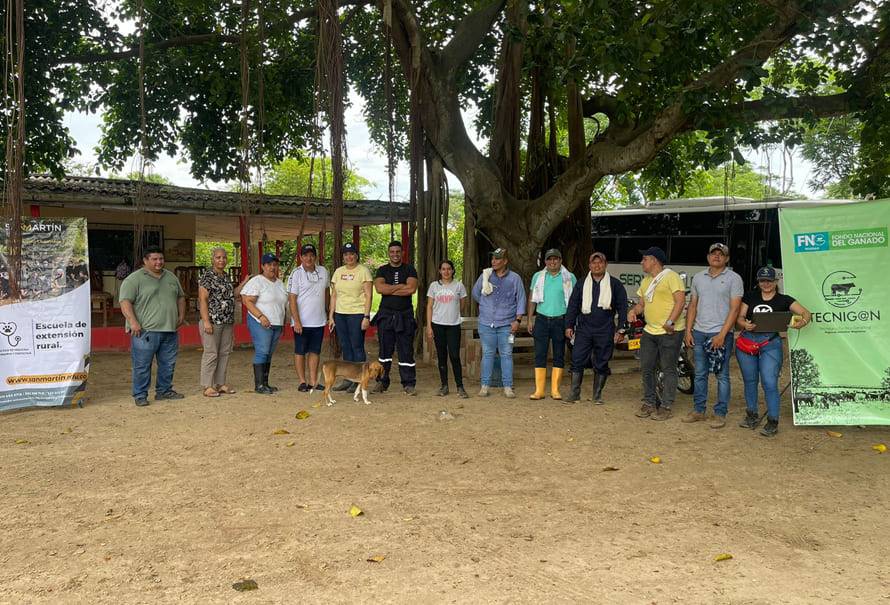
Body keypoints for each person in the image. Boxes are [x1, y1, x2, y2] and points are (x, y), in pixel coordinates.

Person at [735, 266, 812, 437]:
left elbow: (806, 313)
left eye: (769, 280)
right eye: (762, 280)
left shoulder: (784, 299)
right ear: (758, 282)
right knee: (750, 380)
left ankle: (772, 420)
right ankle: (751, 414)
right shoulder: (750, 296)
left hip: (770, 342)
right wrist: (744, 324)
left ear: (776, 281)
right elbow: (740, 317)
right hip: (748, 341)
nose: (766, 284)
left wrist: (802, 322)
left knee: (769, 382)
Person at [682, 243, 744, 428]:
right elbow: (693, 305)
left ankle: (720, 413)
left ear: (727, 258)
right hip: (699, 332)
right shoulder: (698, 278)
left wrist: (722, 334)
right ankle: (698, 410)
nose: (717, 256)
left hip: (721, 333)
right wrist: (688, 330)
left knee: (722, 375)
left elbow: (735, 309)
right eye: (713, 253)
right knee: (700, 373)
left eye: (721, 254)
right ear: (708, 257)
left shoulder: (734, 278)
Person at [118, 246, 186, 407]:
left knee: (168, 364)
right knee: (142, 365)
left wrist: (181, 316)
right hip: (145, 331)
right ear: (145, 260)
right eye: (154, 259)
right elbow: (125, 301)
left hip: (169, 329)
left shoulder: (170, 277)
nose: (159, 262)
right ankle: (140, 395)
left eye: (161, 258)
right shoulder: (134, 279)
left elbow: (181, 297)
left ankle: (164, 391)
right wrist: (133, 322)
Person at [627, 246, 686, 421]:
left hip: (670, 331)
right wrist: (633, 311)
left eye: (644, 259)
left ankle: (666, 406)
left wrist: (670, 322)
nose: (641, 262)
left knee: (668, 368)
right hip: (650, 330)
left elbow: (680, 301)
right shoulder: (646, 281)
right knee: (647, 367)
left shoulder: (671, 277)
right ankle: (649, 402)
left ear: (654, 260)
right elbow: (642, 304)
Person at [565, 252, 627, 404]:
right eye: (594, 263)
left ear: (605, 265)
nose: (597, 265)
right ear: (589, 265)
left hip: (605, 329)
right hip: (584, 328)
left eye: (600, 263)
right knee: (577, 359)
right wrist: (569, 325)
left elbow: (623, 308)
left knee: (602, 361)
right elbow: (573, 305)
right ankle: (574, 394)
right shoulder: (581, 283)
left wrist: (621, 329)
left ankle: (597, 395)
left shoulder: (615, 284)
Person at [471, 247, 526, 398]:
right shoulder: (486, 276)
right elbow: (475, 293)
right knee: (487, 354)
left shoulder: (514, 278)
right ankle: (485, 386)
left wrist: (518, 320)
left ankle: (507, 386)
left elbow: (521, 299)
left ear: (505, 261)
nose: (493, 261)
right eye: (493, 258)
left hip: (507, 323)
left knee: (506, 354)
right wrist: (485, 305)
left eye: (497, 258)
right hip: (486, 322)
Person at [527, 248, 576, 400]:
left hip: (561, 320)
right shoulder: (538, 276)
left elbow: (574, 302)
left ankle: (555, 390)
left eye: (556, 259)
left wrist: (571, 323)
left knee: (559, 354)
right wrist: (529, 319)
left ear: (561, 260)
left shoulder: (569, 277)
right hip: (542, 319)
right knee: (540, 354)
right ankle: (539, 390)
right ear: (545, 261)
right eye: (549, 259)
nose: (552, 262)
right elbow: (532, 299)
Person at [372, 241, 419, 395]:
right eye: (392, 252)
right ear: (388, 253)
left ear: (402, 253)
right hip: (386, 315)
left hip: (405, 315)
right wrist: (400, 286)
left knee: (406, 350)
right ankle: (382, 382)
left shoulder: (409, 269)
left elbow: (411, 289)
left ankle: (408, 384)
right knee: (384, 352)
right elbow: (379, 288)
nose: (395, 254)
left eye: (398, 251)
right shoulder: (382, 270)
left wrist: (389, 289)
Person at [240, 253, 288, 394]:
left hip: (276, 322)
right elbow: (247, 301)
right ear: (262, 266)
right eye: (269, 265)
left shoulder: (279, 283)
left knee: (269, 353)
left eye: (275, 264)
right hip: (260, 322)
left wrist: (283, 321)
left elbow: (283, 304)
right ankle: (259, 385)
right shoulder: (257, 281)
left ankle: (265, 383)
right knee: (262, 351)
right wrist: (260, 316)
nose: (272, 267)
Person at [328, 242, 373, 391]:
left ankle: (359, 381)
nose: (349, 257)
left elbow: (369, 295)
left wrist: (366, 316)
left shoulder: (363, 271)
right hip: (340, 314)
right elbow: (334, 295)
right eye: (346, 254)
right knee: (346, 347)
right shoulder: (338, 272)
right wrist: (331, 316)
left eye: (352, 254)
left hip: (357, 314)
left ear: (356, 255)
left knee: (357, 346)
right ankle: (348, 379)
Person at [287, 243, 330, 392]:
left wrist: (328, 311)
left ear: (315, 257)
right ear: (301, 257)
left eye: (312, 255)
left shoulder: (323, 271)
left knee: (315, 351)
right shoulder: (296, 273)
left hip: (318, 320)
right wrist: (297, 321)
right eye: (305, 255)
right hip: (302, 322)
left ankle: (313, 381)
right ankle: (302, 381)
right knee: (300, 351)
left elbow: (327, 292)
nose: (309, 258)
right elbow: (292, 299)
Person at [425, 259, 469, 398]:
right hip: (438, 325)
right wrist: (429, 326)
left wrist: (453, 313)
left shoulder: (459, 286)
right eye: (443, 269)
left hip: (453, 325)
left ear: (453, 270)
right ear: (439, 271)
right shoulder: (434, 286)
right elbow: (429, 306)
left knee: (454, 356)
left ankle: (460, 386)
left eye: (449, 269)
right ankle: (444, 386)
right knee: (442, 356)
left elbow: (462, 304)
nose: (446, 271)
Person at [197, 247, 236, 397]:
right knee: (211, 353)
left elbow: (231, 295)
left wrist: (245, 283)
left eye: (224, 257)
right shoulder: (207, 276)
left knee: (224, 353)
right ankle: (207, 386)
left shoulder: (225, 276)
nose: (221, 260)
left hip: (227, 321)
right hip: (212, 321)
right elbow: (203, 300)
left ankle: (220, 383)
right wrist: (206, 321)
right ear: (212, 259)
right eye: (218, 257)